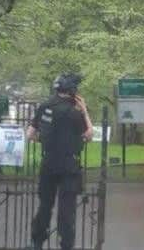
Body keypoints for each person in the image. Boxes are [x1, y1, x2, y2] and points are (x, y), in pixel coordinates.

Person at [27, 73, 93, 250]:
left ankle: (37, 242)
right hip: (69, 166)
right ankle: (66, 246)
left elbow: (30, 134)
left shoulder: (45, 106)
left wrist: (47, 141)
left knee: (45, 205)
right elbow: (89, 135)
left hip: (48, 162)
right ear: (73, 91)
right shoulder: (75, 112)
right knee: (66, 211)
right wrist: (85, 111)